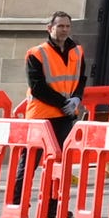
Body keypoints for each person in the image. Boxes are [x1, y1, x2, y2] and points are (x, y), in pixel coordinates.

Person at [21, 12, 87, 145]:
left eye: (68, 26)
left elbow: (81, 78)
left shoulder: (78, 51)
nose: (65, 30)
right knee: (30, 157)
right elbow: (37, 87)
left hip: (64, 114)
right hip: (41, 114)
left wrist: (77, 98)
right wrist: (64, 103)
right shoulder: (36, 53)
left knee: (62, 157)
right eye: (60, 26)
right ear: (50, 28)